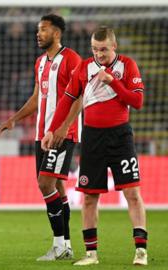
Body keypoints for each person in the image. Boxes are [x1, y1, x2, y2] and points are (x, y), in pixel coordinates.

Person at [42, 26, 148, 266]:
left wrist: (112, 82)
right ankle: (91, 254)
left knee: (132, 193)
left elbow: (137, 101)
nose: (98, 54)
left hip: (120, 137)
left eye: (103, 50)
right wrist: (52, 130)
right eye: (94, 49)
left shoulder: (127, 65)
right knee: (89, 197)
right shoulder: (84, 67)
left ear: (114, 47)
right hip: (92, 138)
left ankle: (141, 250)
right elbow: (67, 100)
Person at [0, 14, 82, 261]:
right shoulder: (41, 62)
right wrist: (15, 118)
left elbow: (79, 97)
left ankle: (58, 246)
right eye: (37, 29)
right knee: (57, 188)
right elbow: (37, 98)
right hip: (41, 135)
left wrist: (64, 127)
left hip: (61, 134)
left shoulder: (71, 59)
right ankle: (65, 245)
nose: (38, 33)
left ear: (56, 33)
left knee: (45, 184)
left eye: (43, 29)